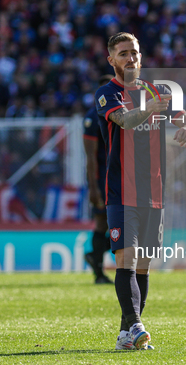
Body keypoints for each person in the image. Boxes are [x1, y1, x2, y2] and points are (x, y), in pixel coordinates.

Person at [95, 32, 186, 350]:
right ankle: (137, 325)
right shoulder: (107, 93)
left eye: (135, 52)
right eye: (123, 53)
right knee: (125, 258)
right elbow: (124, 121)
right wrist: (151, 108)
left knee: (143, 264)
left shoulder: (159, 90)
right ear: (112, 60)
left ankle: (127, 333)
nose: (131, 59)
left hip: (154, 192)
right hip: (121, 191)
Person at [83, 74, 114, 284]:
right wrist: (93, 188)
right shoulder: (93, 118)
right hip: (103, 178)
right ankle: (99, 272)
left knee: (113, 224)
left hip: (119, 175)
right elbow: (91, 157)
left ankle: (95, 257)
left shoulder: (121, 113)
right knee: (103, 222)